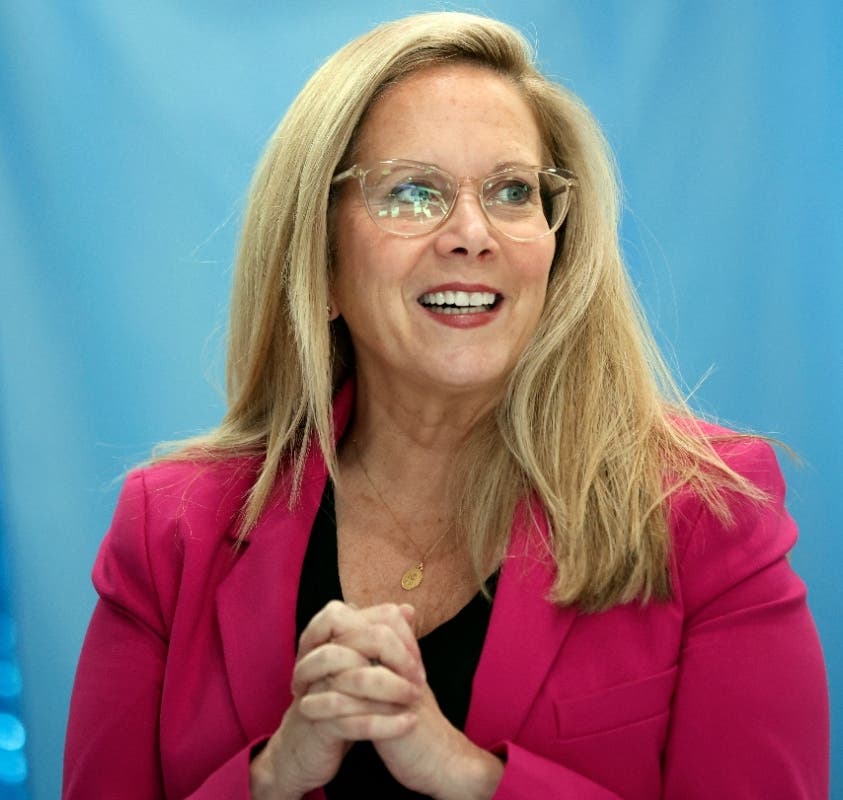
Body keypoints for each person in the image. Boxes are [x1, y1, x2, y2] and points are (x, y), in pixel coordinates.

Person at [62, 11, 828, 799]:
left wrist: (468, 777)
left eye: (510, 191)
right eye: (413, 192)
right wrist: (270, 779)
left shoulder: (704, 513)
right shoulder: (168, 531)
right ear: (319, 263)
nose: (471, 233)